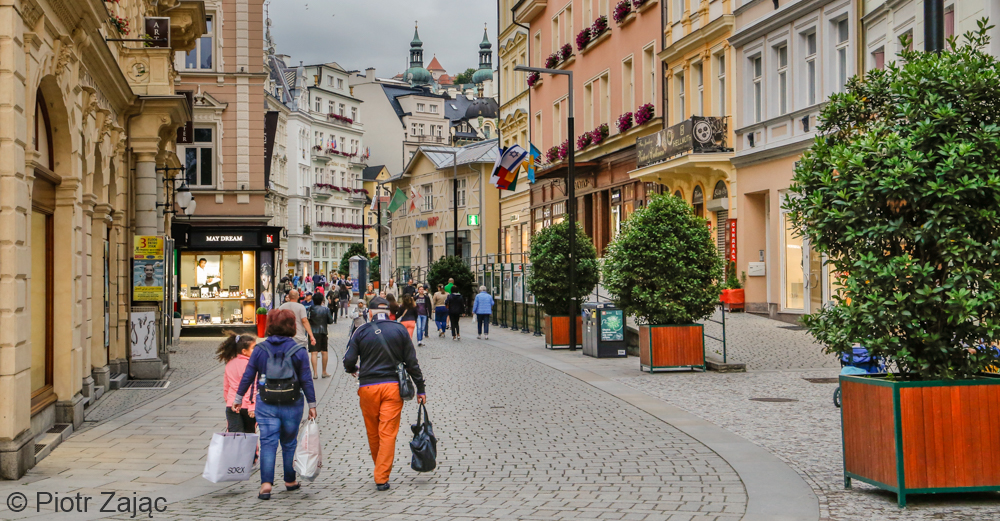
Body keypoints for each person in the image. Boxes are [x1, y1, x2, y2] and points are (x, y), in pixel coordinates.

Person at [343, 297, 426, 491]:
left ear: (370, 313)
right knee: (387, 433)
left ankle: (380, 468)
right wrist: (420, 388)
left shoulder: (361, 331)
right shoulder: (399, 330)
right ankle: (381, 475)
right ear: (389, 312)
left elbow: (348, 360)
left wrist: (354, 368)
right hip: (392, 387)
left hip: (368, 388)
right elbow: (412, 362)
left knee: (373, 432)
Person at [234, 309, 317, 500]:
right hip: (292, 402)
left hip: (266, 401)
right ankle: (290, 480)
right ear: (292, 326)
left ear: (270, 325)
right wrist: (312, 404)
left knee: (268, 443)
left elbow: (248, 375)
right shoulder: (298, 350)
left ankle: (265, 485)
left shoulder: (260, 350)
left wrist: (238, 398)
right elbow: (306, 379)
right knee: (289, 443)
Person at [217, 331, 257, 434]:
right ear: (244, 351)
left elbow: (226, 386)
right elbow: (252, 387)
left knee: (234, 437)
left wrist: (229, 401)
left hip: (232, 406)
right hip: (246, 407)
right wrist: (252, 405)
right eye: (254, 348)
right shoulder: (250, 365)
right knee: (249, 437)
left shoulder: (230, 363)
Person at [308, 293, 333, 379]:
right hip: (323, 332)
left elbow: (307, 320)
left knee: (314, 353)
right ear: (322, 300)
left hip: (313, 332)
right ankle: (324, 371)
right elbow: (330, 321)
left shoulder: (310, 309)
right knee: (324, 352)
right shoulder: (326, 309)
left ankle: (315, 373)